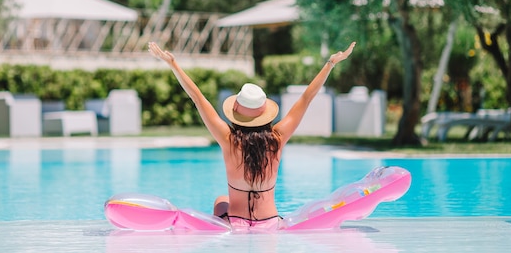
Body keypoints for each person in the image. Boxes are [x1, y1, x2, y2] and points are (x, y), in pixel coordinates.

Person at [148, 41, 356, 230]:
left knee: (221, 200)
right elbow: (306, 98)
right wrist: (330, 63)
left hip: (234, 224)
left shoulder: (229, 140)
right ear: (264, 113)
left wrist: (173, 64)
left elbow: (197, 97)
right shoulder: (277, 138)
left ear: (236, 111)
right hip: (271, 223)